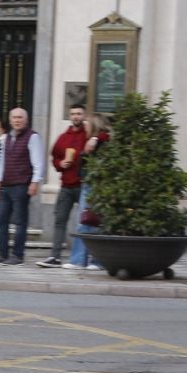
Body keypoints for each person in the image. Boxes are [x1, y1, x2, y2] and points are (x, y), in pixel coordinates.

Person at [0, 106, 46, 265]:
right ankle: (1, 253)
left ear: (26, 120)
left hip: (22, 185)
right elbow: (2, 162)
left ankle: (17, 254)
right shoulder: (7, 137)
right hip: (6, 185)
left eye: (20, 118)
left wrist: (35, 182)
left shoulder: (32, 137)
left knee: (20, 221)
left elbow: (38, 163)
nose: (17, 120)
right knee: (1, 219)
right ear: (10, 120)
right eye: (14, 118)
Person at [41, 104, 90, 268]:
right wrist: (61, 163)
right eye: (73, 114)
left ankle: (84, 258)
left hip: (83, 185)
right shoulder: (63, 137)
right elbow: (54, 157)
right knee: (60, 220)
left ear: (84, 116)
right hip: (66, 186)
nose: (76, 116)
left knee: (85, 222)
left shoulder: (88, 135)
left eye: (79, 114)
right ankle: (55, 256)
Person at [69, 113, 111, 270]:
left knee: (92, 222)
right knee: (85, 222)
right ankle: (80, 259)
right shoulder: (91, 142)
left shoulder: (102, 140)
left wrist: (97, 139)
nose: (85, 125)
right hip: (87, 184)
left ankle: (93, 261)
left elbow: (108, 137)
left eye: (87, 122)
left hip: (96, 185)